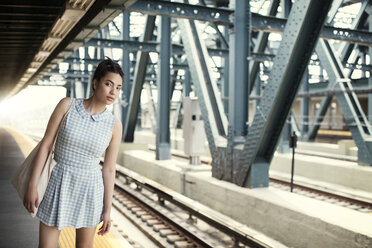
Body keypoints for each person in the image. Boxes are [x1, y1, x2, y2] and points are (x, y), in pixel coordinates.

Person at [23, 57, 124, 248]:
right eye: (108, 84)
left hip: (90, 189)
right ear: (95, 83)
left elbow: (109, 169)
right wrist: (32, 184)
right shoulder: (67, 105)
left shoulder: (114, 125)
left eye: (118, 87)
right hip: (59, 182)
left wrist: (107, 210)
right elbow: (46, 145)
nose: (113, 91)